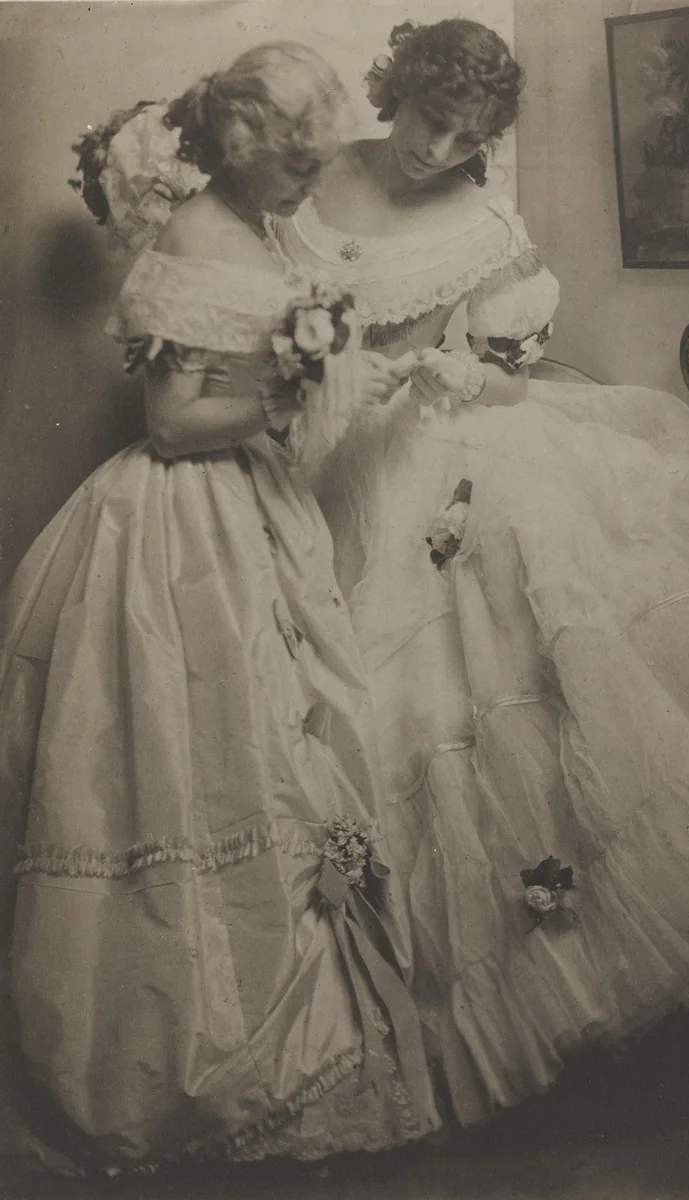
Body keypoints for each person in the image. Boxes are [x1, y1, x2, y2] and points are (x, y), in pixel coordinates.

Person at [272, 17, 689, 1129]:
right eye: (430, 121)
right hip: (324, 467)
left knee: (543, 672)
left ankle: (604, 981)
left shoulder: (482, 217)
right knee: (365, 709)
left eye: (468, 135)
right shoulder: (316, 182)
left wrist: (462, 379)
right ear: (395, 92)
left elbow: (509, 372)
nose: (439, 149)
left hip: (447, 462)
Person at [0, 43, 438, 1174]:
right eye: (294, 167)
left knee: (284, 747)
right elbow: (171, 425)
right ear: (248, 157)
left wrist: (333, 374)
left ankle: (300, 1032)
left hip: (257, 510)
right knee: (188, 762)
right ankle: (184, 1045)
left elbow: (280, 350)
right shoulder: (191, 241)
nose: (308, 185)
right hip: (180, 529)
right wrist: (285, 394)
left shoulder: (258, 228)